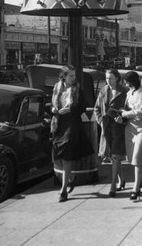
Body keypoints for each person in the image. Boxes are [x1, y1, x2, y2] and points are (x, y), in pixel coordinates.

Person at [51, 65, 94, 202]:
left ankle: (63, 190)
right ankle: (70, 178)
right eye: (71, 76)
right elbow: (52, 104)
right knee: (60, 156)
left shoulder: (77, 89)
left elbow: (83, 106)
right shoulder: (57, 87)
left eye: (74, 76)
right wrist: (54, 109)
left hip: (72, 124)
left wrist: (69, 111)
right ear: (63, 76)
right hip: (59, 124)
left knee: (66, 154)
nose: (73, 78)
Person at [94, 68, 128, 197]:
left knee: (115, 156)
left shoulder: (124, 91)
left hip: (118, 129)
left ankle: (113, 185)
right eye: (106, 78)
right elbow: (97, 108)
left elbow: (129, 108)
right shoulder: (103, 90)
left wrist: (123, 119)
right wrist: (100, 121)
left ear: (117, 78)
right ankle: (121, 180)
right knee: (113, 157)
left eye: (111, 78)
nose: (108, 81)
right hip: (106, 128)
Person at [120, 70, 142, 201]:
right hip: (129, 128)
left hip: (141, 127)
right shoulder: (128, 93)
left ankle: (135, 189)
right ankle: (140, 180)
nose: (125, 84)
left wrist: (126, 114)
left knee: (138, 156)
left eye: (127, 82)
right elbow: (126, 109)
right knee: (132, 157)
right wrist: (121, 115)